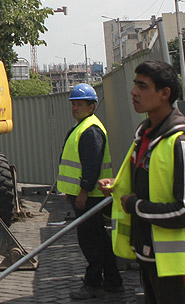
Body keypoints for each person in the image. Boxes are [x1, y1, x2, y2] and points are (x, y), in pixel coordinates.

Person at [99, 61, 185, 304]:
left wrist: (135, 205)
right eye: (135, 85)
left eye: (143, 86)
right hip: (148, 257)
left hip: (176, 267)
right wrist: (118, 186)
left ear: (165, 93)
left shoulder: (180, 143)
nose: (134, 92)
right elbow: (153, 183)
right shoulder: (145, 137)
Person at [58, 83, 123, 299]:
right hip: (85, 195)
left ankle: (93, 283)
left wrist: (84, 191)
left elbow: (91, 164)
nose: (75, 108)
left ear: (92, 107)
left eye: (80, 104)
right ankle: (113, 281)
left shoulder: (91, 130)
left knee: (90, 241)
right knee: (99, 239)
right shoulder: (84, 127)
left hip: (90, 196)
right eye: (73, 104)